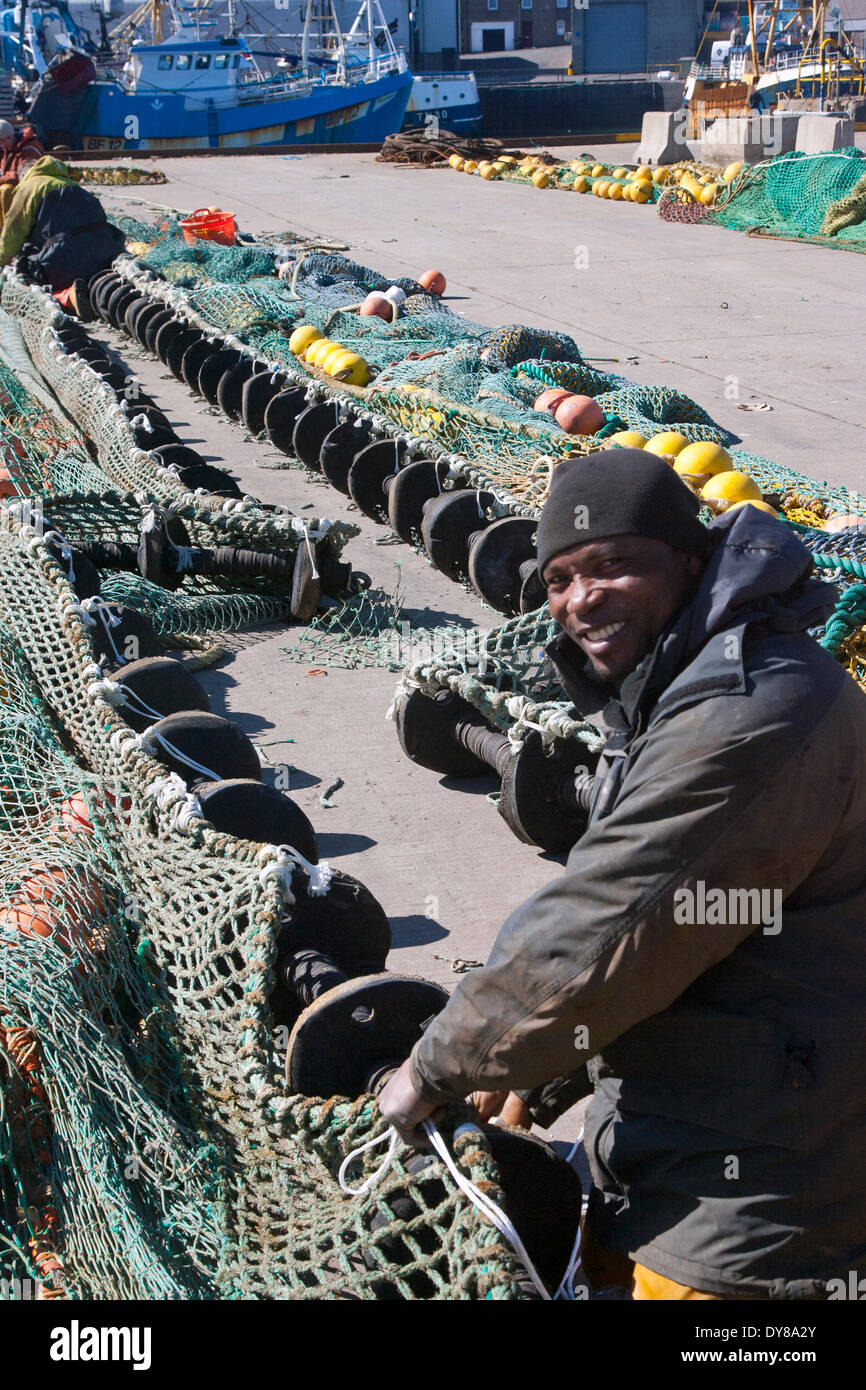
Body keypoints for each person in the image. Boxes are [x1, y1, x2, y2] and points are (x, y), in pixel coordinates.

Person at [380, 449, 866, 1300]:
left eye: (612, 565)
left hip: (759, 1174)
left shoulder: (752, 713)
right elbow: (691, 923)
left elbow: (617, 920)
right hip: (694, 1104)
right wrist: (553, 1062)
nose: (581, 598)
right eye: (560, 577)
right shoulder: (690, 675)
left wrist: (439, 1066)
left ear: (686, 557)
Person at [0, 155, 124, 319]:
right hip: (104, 256)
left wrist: (2, 260)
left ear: (26, 174)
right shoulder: (75, 186)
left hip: (65, 260)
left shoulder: (30, 187)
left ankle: (66, 297)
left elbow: (13, 233)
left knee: (25, 267)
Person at [0, 120, 44, 227]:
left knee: (6, 190)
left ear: (10, 137)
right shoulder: (9, 148)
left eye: (1, 142)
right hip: (19, 190)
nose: (1, 146)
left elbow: (22, 175)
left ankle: (10, 229)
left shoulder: (29, 149)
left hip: (31, 192)